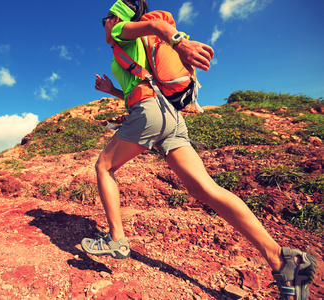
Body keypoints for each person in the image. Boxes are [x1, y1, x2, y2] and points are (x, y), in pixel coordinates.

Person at [80, 0, 317, 299]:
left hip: (150, 111)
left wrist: (179, 42)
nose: (103, 22)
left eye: (106, 17)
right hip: (170, 116)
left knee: (104, 166)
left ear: (116, 16)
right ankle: (281, 259)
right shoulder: (136, 46)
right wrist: (112, 91)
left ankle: (116, 239)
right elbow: (138, 82)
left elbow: (156, 25)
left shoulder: (120, 32)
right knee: (205, 188)